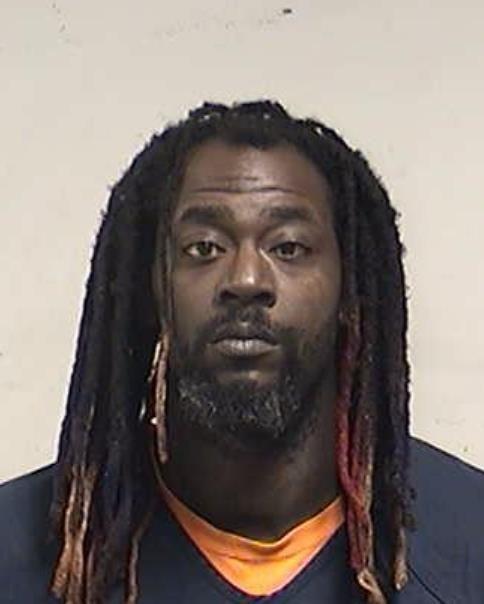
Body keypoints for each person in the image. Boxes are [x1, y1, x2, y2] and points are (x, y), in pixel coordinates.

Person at [1, 101, 483, 604]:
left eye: (289, 247)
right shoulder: (17, 556)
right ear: (152, 290)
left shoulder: (471, 542)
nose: (246, 280)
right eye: (204, 248)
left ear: (350, 292)